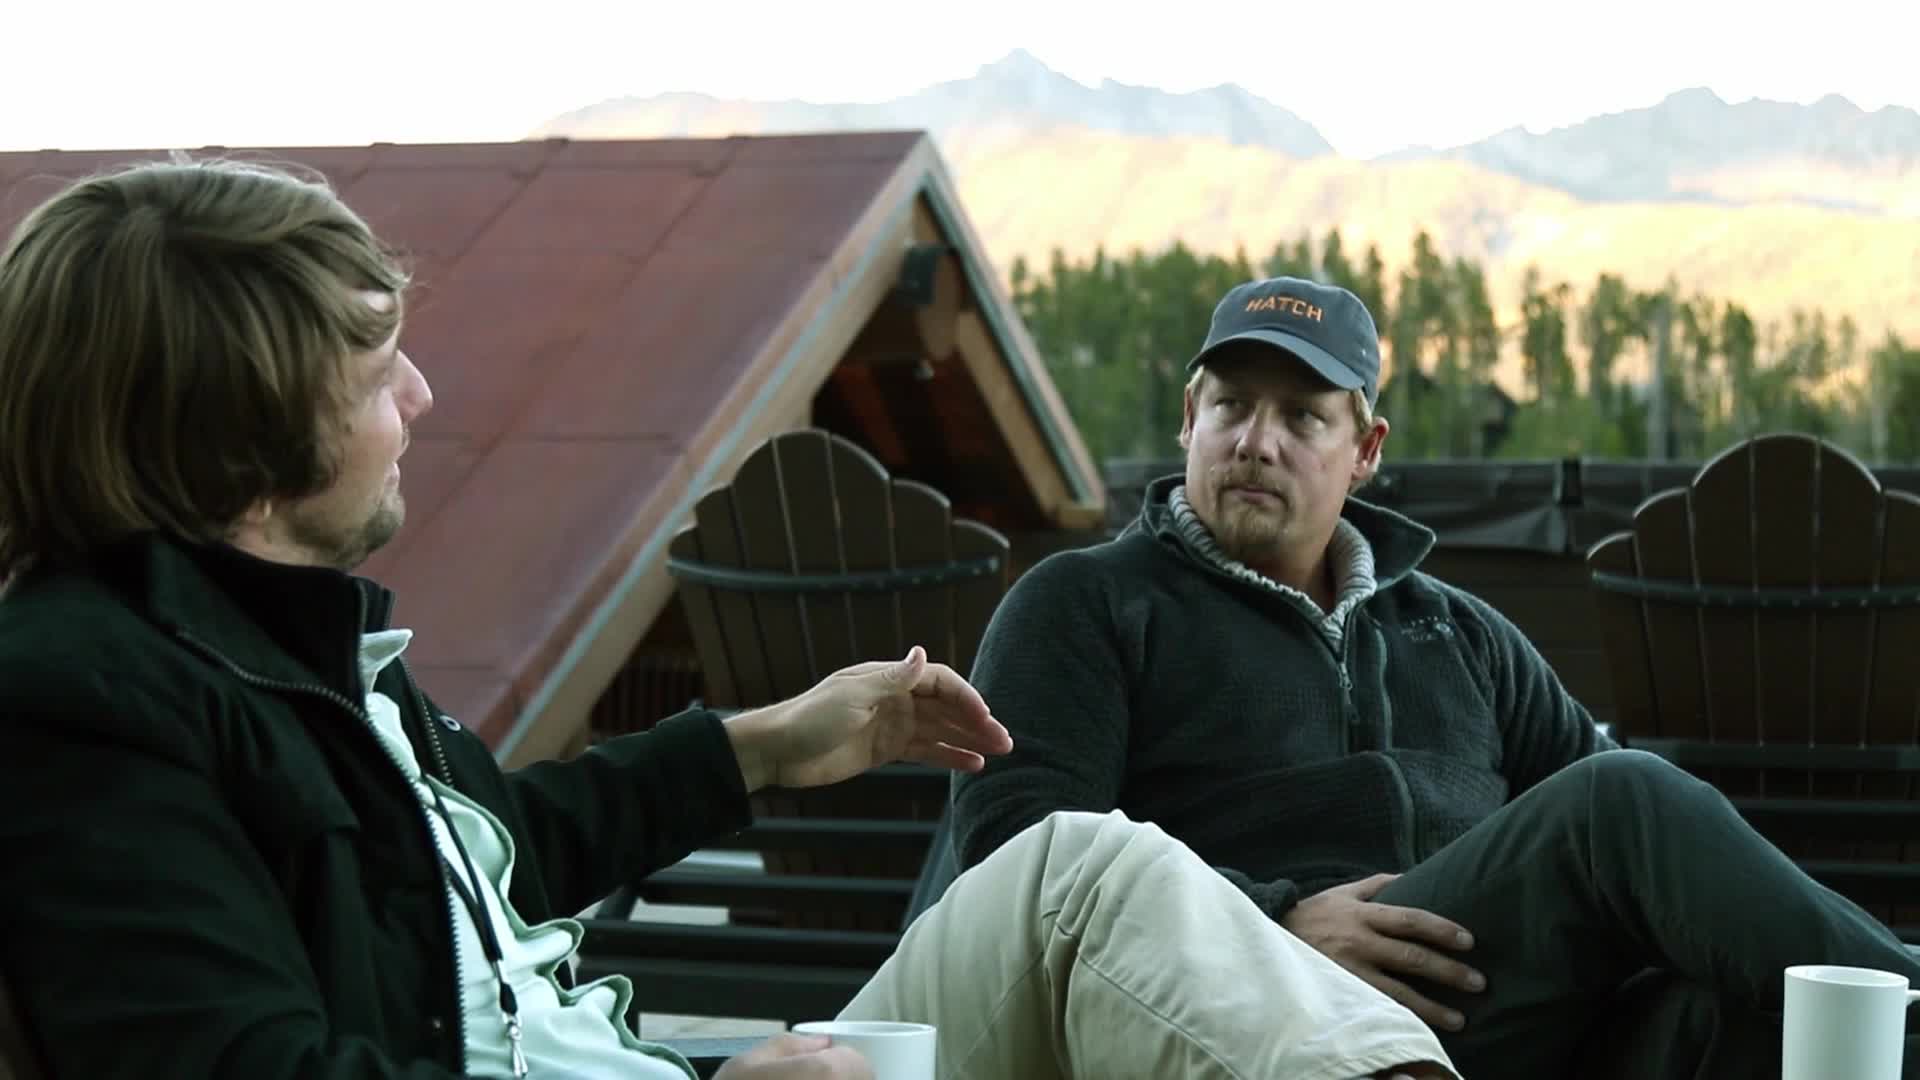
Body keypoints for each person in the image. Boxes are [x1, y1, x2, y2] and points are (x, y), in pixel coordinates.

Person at [0, 158, 1461, 1080]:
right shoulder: (88, 704)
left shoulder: (292, 663)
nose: (423, 399)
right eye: (375, 365)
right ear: (237, 421)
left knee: (1081, 871)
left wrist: (773, 741)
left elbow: (498, 850)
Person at [949, 272, 1920, 1079]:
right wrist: (1274, 917)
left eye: (1302, 416)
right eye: (1231, 405)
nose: (1256, 440)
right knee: (1623, 795)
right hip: (1252, 1018)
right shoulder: (1087, 602)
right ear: (1189, 421)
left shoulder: (1460, 634)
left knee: (1739, 1022)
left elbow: (1604, 846)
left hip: (1482, 1024)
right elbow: (1019, 859)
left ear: (1365, 452)